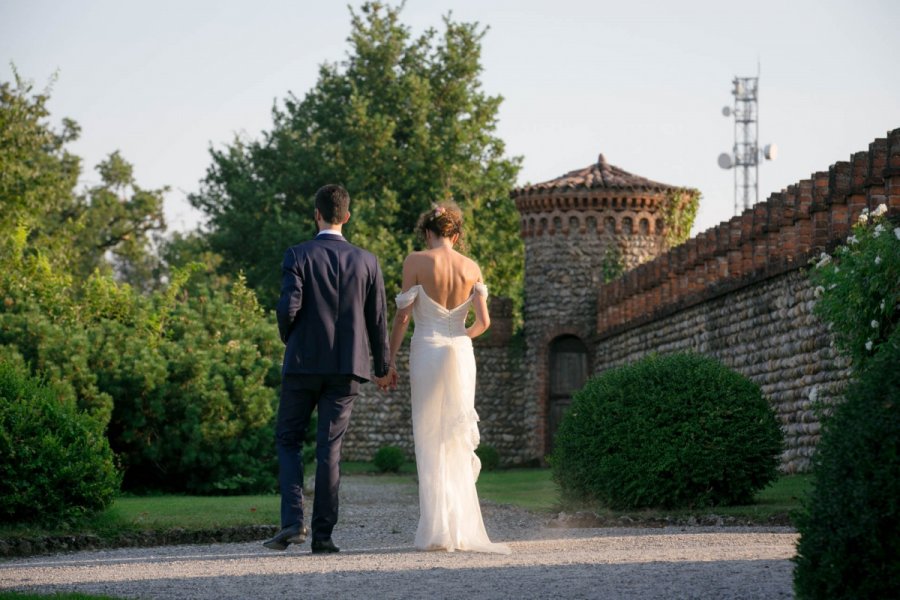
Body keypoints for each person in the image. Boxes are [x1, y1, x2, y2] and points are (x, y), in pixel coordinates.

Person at [265, 184, 392, 554]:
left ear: (316, 214)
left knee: (288, 439)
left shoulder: (298, 255)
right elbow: (378, 319)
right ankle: (323, 536)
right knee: (329, 450)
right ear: (346, 216)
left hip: (303, 364)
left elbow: (288, 307)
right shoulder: (368, 261)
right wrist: (382, 366)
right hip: (348, 367)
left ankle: (292, 522)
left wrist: (292, 338)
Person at [385, 202, 511, 554]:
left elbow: (403, 318)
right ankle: (460, 528)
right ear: (456, 235)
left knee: (429, 435)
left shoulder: (415, 261)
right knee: (455, 437)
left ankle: (436, 531)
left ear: (427, 231)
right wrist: (458, 338)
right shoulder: (472, 267)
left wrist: (389, 360)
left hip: (427, 348)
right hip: (460, 352)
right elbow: (484, 324)